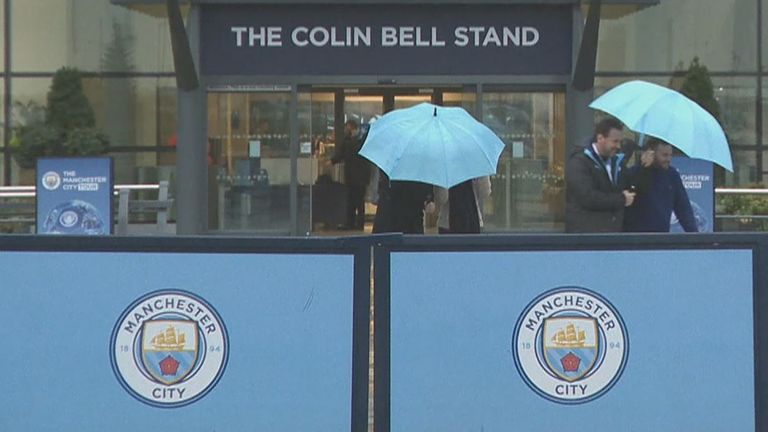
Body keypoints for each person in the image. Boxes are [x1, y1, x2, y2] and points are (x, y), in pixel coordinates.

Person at [565, 118, 636, 233]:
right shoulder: (579, 162)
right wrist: (621, 199)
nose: (618, 146)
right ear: (600, 138)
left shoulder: (616, 162)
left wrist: (644, 167)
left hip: (612, 233)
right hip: (586, 236)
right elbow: (588, 197)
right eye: (615, 141)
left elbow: (630, 187)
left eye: (620, 142)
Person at [623, 138, 698, 232]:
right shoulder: (634, 172)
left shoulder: (672, 175)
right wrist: (643, 168)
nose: (668, 159)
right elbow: (628, 198)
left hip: (661, 236)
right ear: (651, 153)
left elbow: (683, 207)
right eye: (664, 155)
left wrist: (693, 233)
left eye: (670, 155)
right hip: (636, 237)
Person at [332, 120, 371, 230]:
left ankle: (353, 223)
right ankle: (356, 223)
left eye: (347, 128)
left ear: (350, 128)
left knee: (355, 201)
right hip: (359, 177)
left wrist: (332, 161)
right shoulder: (361, 140)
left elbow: (343, 153)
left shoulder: (351, 142)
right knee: (356, 201)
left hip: (355, 177)